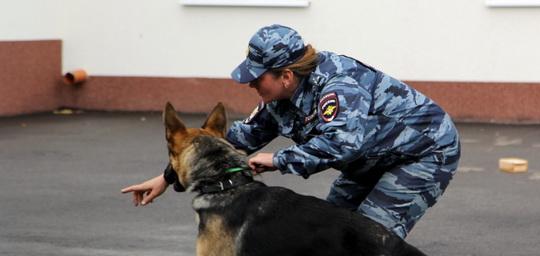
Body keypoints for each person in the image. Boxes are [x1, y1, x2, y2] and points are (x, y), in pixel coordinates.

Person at [122, 24, 460, 239]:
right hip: (368, 160)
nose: (251, 83)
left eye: (258, 76)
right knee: (332, 230)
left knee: (370, 237)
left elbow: (342, 145)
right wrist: (166, 178)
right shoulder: (280, 96)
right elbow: (233, 140)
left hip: (422, 155)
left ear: (286, 74)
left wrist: (279, 159)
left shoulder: (338, 85)